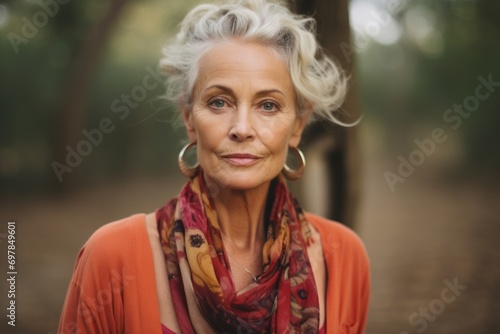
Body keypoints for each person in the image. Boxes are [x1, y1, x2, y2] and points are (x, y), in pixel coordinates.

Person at [58, 0, 370, 333]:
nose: (242, 128)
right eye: (219, 102)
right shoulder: (112, 257)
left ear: (297, 126)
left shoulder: (344, 257)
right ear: (189, 118)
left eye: (268, 105)